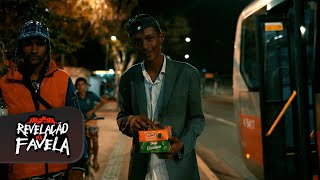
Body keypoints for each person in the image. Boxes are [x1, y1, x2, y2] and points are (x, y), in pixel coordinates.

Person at [117, 14, 205, 180]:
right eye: (138, 41)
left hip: (179, 169)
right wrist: (131, 121)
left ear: (161, 37)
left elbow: (197, 119)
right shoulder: (128, 78)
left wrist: (182, 144)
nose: (145, 45)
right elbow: (122, 117)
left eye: (150, 38)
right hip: (143, 171)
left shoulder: (187, 73)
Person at [0, 20, 88, 179]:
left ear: (47, 47)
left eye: (40, 44)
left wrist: (79, 166)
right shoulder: (4, 84)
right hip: (20, 174)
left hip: (59, 173)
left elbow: (76, 124)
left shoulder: (63, 80)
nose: (34, 50)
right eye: (28, 44)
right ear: (20, 47)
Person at [75, 77, 107, 172]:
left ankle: (95, 159)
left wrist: (93, 111)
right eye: (78, 85)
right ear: (76, 87)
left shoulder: (91, 95)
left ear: (86, 86)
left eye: (82, 84)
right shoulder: (74, 96)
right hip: (79, 121)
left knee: (95, 138)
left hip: (91, 120)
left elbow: (102, 102)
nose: (81, 87)